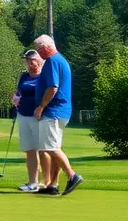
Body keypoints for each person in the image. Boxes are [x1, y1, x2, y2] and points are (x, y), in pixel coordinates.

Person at [31, 34, 84, 196]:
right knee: (54, 147)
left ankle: (72, 175)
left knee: (50, 147)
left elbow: (53, 87)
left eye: (39, 50)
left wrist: (41, 106)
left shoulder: (53, 61)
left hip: (53, 110)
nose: (39, 54)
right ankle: (52, 185)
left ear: (46, 47)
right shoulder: (59, 60)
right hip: (60, 111)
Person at [12, 49, 50, 192]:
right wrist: (15, 98)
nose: (29, 63)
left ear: (40, 61)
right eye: (27, 60)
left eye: (31, 60)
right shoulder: (24, 76)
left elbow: (45, 95)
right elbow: (19, 92)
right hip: (23, 114)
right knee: (29, 149)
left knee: (42, 150)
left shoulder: (44, 77)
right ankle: (32, 183)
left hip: (38, 116)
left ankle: (46, 182)